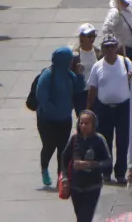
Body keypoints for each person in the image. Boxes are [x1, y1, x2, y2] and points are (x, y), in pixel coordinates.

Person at [86, 34, 132, 184]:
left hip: (123, 108)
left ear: (117, 47)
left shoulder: (126, 62)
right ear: (103, 49)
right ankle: (106, 171)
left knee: (122, 141)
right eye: (107, 46)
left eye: (113, 46)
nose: (111, 49)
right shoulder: (97, 66)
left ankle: (120, 173)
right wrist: (88, 109)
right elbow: (93, 89)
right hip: (104, 108)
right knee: (105, 141)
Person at [36, 46, 84, 188]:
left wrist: (80, 75)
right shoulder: (47, 75)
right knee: (49, 146)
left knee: (63, 149)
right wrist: (55, 110)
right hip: (47, 120)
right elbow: (42, 97)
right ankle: (44, 168)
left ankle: (61, 176)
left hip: (64, 119)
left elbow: (79, 89)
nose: (71, 62)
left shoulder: (69, 74)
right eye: (70, 59)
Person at [61, 110, 112, 222]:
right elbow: (64, 157)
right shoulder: (74, 139)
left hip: (92, 187)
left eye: (86, 123)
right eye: (81, 123)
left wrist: (89, 164)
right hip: (76, 187)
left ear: (93, 125)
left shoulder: (99, 140)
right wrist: (64, 177)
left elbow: (108, 162)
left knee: (84, 218)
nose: (83, 126)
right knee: (80, 216)